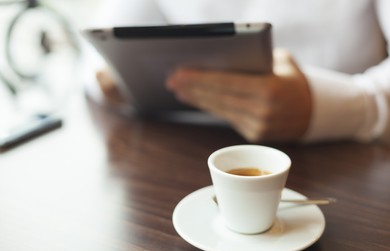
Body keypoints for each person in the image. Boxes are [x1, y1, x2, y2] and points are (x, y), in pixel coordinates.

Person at [87, 0, 390, 144]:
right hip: (187, 150)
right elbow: (94, 48)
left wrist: (343, 106)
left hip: (350, 160)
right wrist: (114, 78)